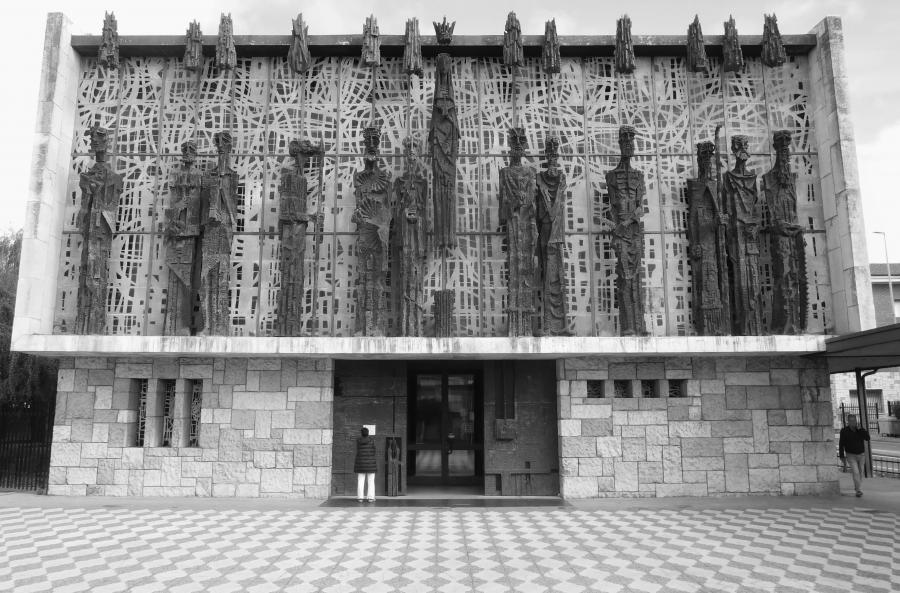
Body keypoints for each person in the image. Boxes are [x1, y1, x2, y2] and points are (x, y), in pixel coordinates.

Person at [839, 414, 870, 497]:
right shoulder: (844, 431)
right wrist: (842, 456)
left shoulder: (860, 430)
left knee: (860, 472)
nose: (853, 422)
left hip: (861, 455)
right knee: (855, 472)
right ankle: (858, 490)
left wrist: (861, 430)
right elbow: (841, 443)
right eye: (851, 421)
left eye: (855, 420)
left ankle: (857, 487)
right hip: (850, 455)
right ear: (848, 422)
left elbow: (867, 438)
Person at [354, 427, 377, 502]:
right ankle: (370, 498)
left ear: (361, 433)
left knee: (360, 480)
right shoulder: (372, 440)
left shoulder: (358, 441)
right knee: (371, 481)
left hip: (360, 464)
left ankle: (360, 498)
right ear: (368, 433)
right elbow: (374, 451)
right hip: (371, 464)